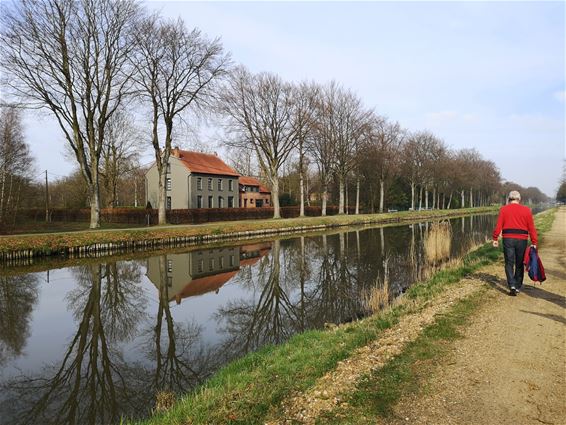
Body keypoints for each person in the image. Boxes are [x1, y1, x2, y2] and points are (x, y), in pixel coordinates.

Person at [492, 190, 538, 296]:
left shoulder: (503, 209)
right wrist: (534, 241)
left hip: (508, 239)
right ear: (519, 199)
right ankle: (517, 286)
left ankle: (511, 285)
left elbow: (498, 225)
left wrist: (495, 238)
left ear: (509, 199)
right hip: (522, 239)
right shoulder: (526, 210)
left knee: (509, 262)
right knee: (519, 263)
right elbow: (531, 228)